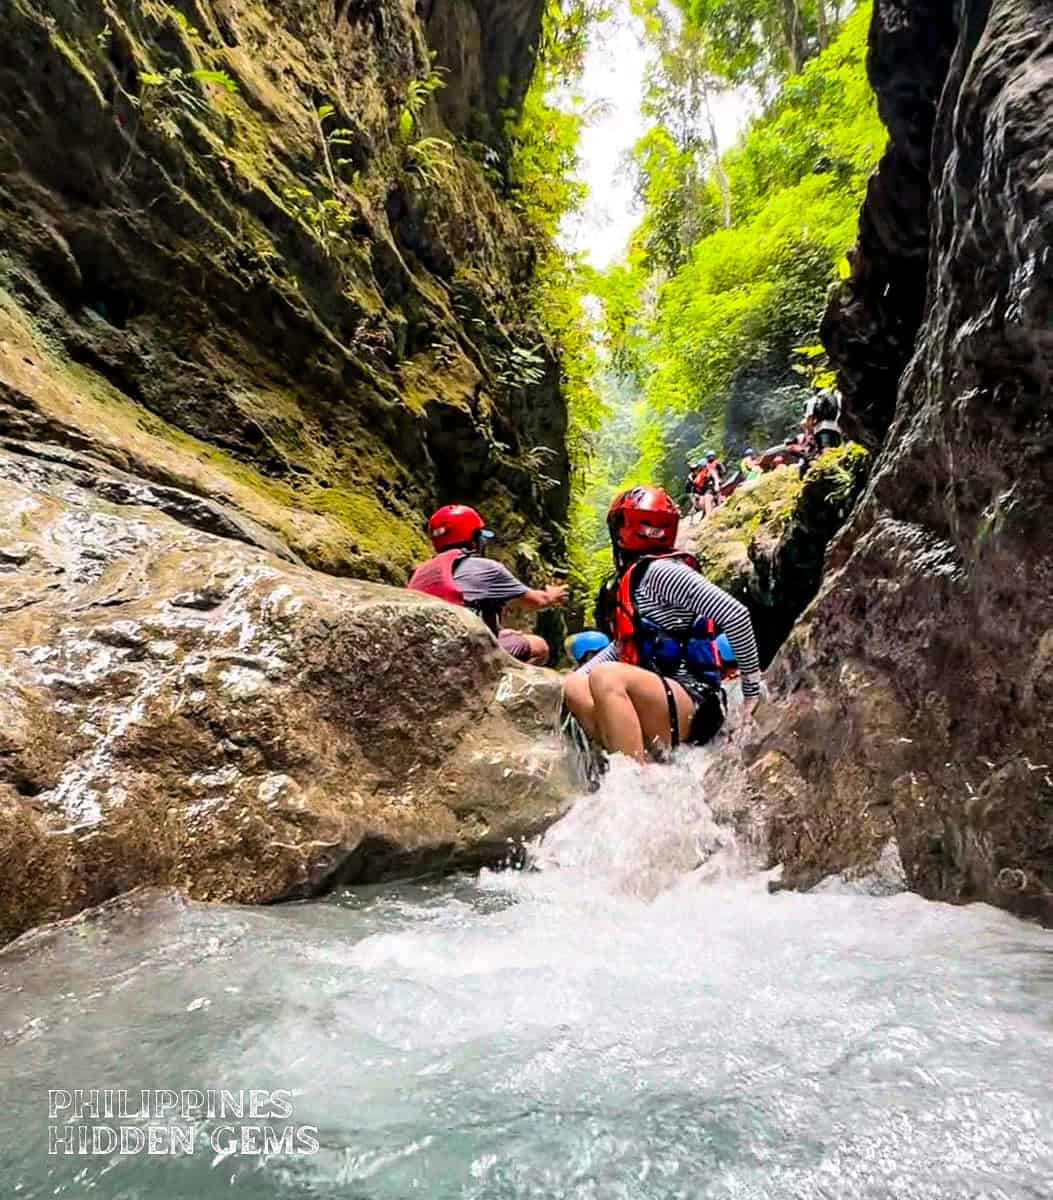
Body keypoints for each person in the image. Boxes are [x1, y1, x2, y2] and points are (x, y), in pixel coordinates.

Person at [563, 485, 762, 762]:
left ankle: (639, 782)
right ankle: (633, 761)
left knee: (606, 676)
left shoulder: (662, 572)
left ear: (621, 530)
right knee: (574, 685)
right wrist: (579, 674)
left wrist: (752, 692)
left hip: (696, 704)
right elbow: (623, 646)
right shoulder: (639, 574)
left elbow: (736, 615)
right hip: (664, 699)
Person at [407, 504, 567, 665]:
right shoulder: (487, 568)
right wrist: (554, 595)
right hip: (464, 652)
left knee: (506, 634)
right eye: (481, 535)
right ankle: (499, 685)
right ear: (474, 538)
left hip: (425, 651)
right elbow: (539, 602)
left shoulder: (420, 572)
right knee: (539, 646)